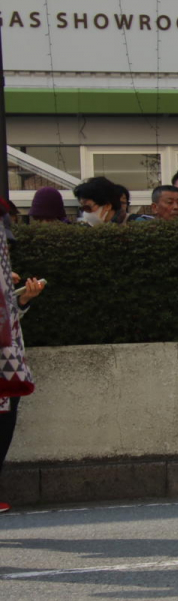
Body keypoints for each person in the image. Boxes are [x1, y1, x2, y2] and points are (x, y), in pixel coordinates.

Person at [0, 200, 44, 513]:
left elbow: (8, 320)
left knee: (4, 427)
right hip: (5, 364)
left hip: (7, 362)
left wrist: (21, 299)